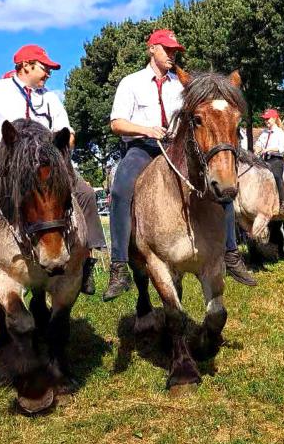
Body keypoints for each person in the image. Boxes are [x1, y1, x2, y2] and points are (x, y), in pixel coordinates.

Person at [0, 44, 108, 306]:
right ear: (26, 65)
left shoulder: (50, 98)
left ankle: (85, 261)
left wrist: (61, 149)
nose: (49, 73)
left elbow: (67, 132)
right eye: (45, 67)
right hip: (4, 156)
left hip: (46, 158)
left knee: (84, 193)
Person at [104, 29, 256, 300]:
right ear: (152, 49)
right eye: (167, 49)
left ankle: (232, 255)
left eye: (175, 51)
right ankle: (118, 265)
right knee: (120, 189)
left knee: (221, 187)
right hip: (143, 147)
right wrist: (147, 130)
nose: (172, 55)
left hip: (178, 149)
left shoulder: (182, 85)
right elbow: (117, 123)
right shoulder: (131, 82)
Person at [253, 109, 284, 215]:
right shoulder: (264, 132)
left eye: (268, 119)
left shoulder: (280, 133)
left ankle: (283, 202)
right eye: (265, 119)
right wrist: (257, 148)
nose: (266, 121)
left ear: (274, 119)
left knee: (277, 176)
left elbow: (282, 148)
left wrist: (268, 150)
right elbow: (259, 144)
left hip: (276, 160)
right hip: (264, 159)